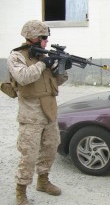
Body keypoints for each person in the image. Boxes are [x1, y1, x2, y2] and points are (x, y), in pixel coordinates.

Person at [7, 20, 69, 205]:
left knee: (50, 149)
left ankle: (43, 181)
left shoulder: (45, 56)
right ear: (33, 37)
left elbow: (55, 83)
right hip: (31, 115)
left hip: (49, 112)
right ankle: (21, 192)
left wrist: (62, 69)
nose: (47, 41)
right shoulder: (17, 56)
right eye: (44, 38)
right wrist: (43, 64)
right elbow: (23, 77)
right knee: (29, 154)